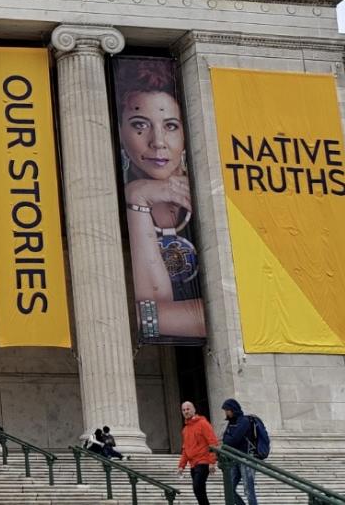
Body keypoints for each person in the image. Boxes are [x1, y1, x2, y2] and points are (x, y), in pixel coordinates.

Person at [116, 59, 206, 341]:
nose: (158, 142)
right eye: (140, 124)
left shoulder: (210, 192)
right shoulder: (115, 197)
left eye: (170, 126)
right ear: (120, 131)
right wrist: (137, 198)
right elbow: (149, 319)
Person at [177, 401, 218, 505]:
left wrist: (212, 462)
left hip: (203, 461)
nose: (186, 411)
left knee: (197, 487)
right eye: (184, 410)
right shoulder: (185, 430)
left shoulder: (203, 423)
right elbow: (185, 449)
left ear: (194, 410)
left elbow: (212, 442)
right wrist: (181, 465)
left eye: (188, 409)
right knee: (198, 490)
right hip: (193, 464)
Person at [221, 399, 259, 505]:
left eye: (227, 410)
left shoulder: (244, 421)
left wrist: (228, 438)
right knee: (229, 489)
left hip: (246, 458)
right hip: (234, 458)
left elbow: (233, 439)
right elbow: (225, 440)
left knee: (248, 491)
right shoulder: (231, 423)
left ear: (233, 409)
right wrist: (228, 438)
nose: (226, 413)